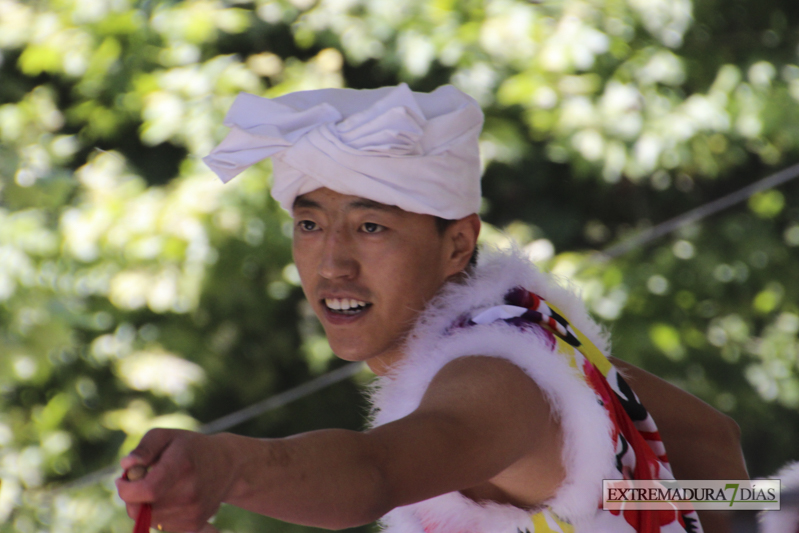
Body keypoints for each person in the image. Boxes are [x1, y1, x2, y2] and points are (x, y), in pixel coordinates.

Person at [116, 83, 747, 533]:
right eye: (309, 224)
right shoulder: (536, 332)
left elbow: (375, 474)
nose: (332, 263)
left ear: (457, 245)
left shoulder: (498, 377)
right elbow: (713, 442)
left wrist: (227, 467)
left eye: (370, 228)